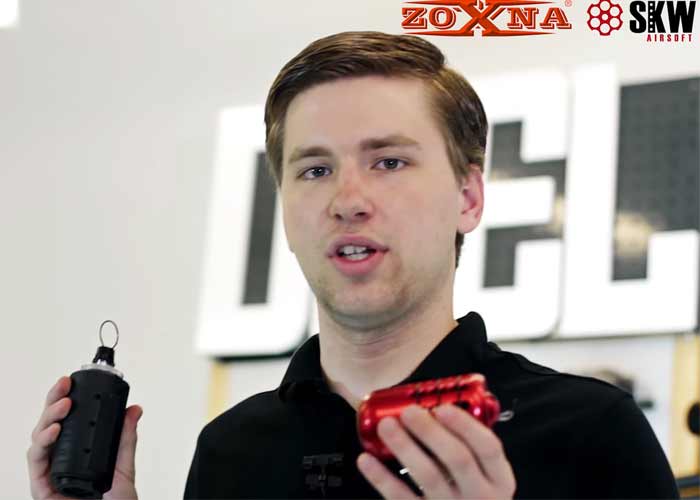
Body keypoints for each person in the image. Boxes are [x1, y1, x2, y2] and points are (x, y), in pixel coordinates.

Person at [28, 31, 679, 499]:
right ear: (285, 208)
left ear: (468, 197)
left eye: (389, 162)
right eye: (315, 170)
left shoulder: (590, 432)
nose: (347, 200)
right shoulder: (233, 447)